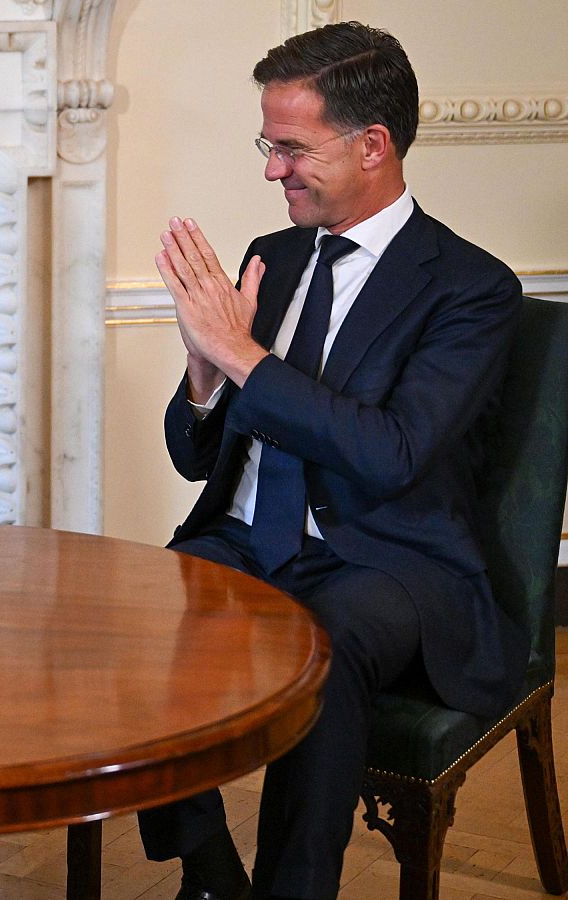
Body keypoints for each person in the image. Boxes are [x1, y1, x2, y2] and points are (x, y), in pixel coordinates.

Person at [139, 22, 527, 900]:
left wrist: (241, 356)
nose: (272, 170)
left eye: (292, 149)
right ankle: (208, 870)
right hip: (243, 540)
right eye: (267, 146)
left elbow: (390, 455)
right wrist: (204, 373)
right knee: (138, 610)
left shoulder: (469, 288)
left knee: (323, 642)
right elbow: (196, 458)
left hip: (385, 558)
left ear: (373, 145)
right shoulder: (270, 259)